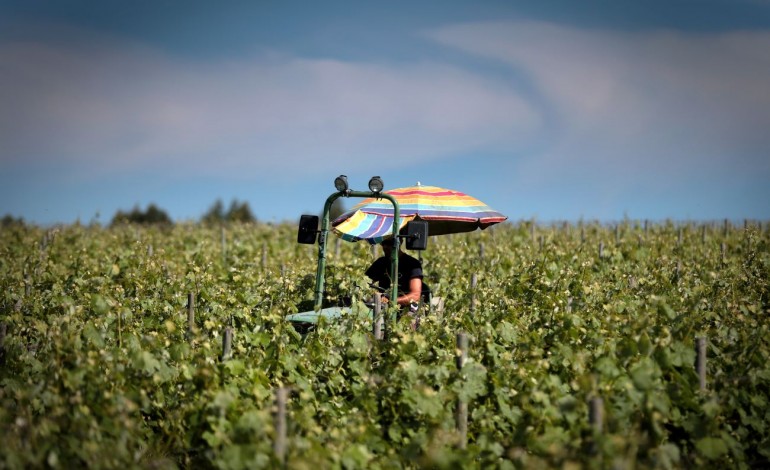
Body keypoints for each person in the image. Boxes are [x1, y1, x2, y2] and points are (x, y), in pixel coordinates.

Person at [365, 237, 430, 313]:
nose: (385, 247)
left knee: (411, 315)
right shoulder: (380, 263)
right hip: (385, 308)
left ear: (400, 242)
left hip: (408, 309)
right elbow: (366, 283)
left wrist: (392, 301)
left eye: (389, 243)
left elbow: (415, 296)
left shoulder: (412, 264)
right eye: (383, 243)